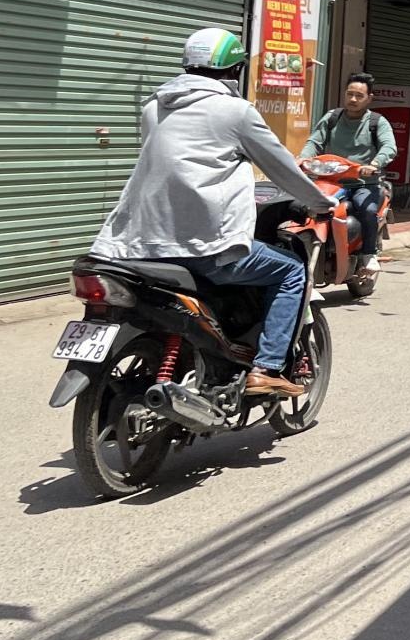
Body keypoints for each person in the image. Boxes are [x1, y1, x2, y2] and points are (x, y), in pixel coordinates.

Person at [93, 27, 332, 398]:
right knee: (291, 271)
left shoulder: (154, 106)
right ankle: (267, 368)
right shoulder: (235, 112)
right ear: (234, 70)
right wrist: (321, 203)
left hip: (136, 245)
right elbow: (281, 167)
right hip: (204, 245)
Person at [303, 71, 398, 262]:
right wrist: (303, 158)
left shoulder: (377, 122)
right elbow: (314, 142)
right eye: (350, 94)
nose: (353, 99)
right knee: (304, 206)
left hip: (363, 183)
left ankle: (369, 254)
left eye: (359, 96)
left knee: (367, 210)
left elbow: (389, 147)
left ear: (369, 98)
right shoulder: (332, 117)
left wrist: (374, 164)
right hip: (330, 181)